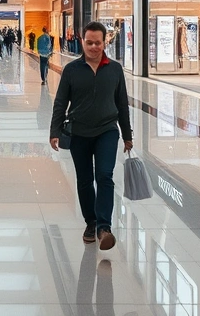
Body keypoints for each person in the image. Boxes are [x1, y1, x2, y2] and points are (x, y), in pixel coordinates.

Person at [49, 21, 133, 251]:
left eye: (98, 42)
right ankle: (91, 222)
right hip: (79, 132)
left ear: (105, 42)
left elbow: (122, 104)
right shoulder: (72, 70)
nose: (94, 47)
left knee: (105, 176)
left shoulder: (115, 69)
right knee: (85, 180)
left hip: (107, 130)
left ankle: (104, 227)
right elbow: (60, 102)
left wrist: (127, 134)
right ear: (82, 41)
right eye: (89, 42)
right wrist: (54, 131)